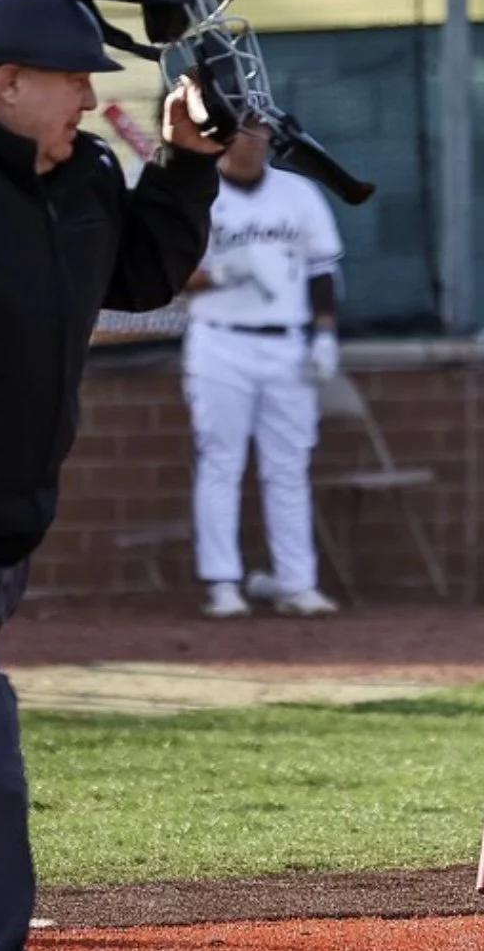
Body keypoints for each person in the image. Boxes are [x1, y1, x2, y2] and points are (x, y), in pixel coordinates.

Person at [0, 0, 222, 950]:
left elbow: (139, 274)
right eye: (72, 79)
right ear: (2, 80)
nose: (92, 100)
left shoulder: (83, 171)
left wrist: (182, 164)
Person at [182, 115, 344, 619]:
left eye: (260, 131)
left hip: (287, 343)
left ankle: (296, 582)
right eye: (242, 130)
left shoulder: (298, 194)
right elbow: (172, 274)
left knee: (289, 466)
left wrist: (323, 335)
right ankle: (223, 583)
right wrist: (221, 274)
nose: (252, 141)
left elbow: (322, 269)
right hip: (219, 342)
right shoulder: (198, 193)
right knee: (221, 461)